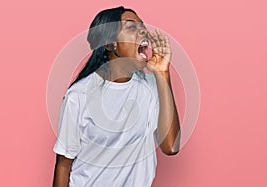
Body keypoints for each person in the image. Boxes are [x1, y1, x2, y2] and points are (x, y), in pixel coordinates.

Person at [52, 6, 181, 187]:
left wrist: (163, 74)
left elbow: (171, 147)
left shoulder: (151, 87)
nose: (143, 30)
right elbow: (63, 165)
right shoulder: (79, 96)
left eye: (142, 26)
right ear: (110, 43)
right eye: (131, 27)